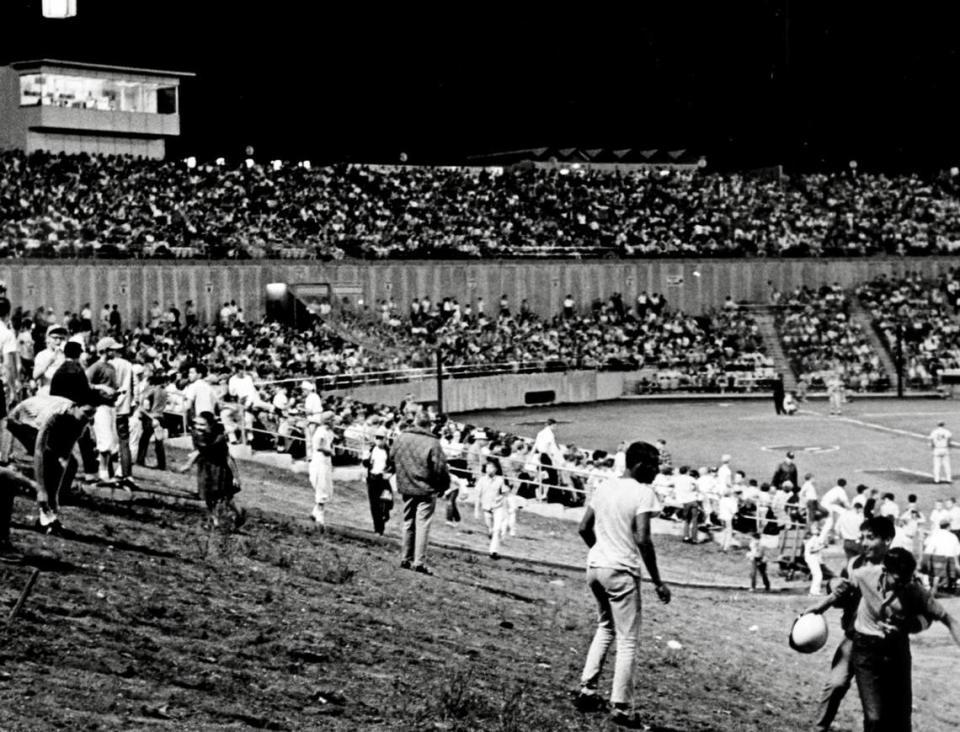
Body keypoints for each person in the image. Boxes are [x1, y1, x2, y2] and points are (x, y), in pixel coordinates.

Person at [807, 547, 960, 732]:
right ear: (885, 571)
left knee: (902, 718)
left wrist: (907, 626)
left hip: (897, 652)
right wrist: (821, 606)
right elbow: (844, 588)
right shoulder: (866, 575)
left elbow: (948, 620)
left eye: (907, 579)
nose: (903, 584)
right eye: (898, 579)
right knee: (875, 717)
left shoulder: (914, 590)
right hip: (865, 651)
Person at [573, 441, 671, 728]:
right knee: (628, 639)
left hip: (595, 566)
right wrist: (657, 582)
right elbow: (642, 538)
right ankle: (622, 707)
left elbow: (583, 527)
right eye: (653, 467)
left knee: (605, 627)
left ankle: (587, 689)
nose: (656, 473)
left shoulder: (605, 486)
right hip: (621, 570)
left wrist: (600, 550)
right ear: (640, 465)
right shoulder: (643, 492)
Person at [806, 515, 894, 732]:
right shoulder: (855, 563)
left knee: (876, 710)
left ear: (888, 540)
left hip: (883, 646)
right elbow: (843, 589)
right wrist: (823, 604)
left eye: (870, 538)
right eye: (861, 537)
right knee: (836, 684)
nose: (863, 543)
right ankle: (818, 728)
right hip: (853, 638)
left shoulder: (896, 568)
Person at [6, 394, 97, 532]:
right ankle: (44, 515)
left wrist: (54, 497)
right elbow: (39, 453)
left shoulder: (81, 422)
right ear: (75, 407)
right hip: (21, 420)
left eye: (92, 414)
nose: (88, 418)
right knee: (48, 458)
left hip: (47, 420)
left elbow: (64, 458)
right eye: (86, 413)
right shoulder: (54, 414)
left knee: (71, 464)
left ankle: (50, 514)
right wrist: (41, 491)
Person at [391, 410, 450, 575]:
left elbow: (392, 457)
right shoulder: (433, 443)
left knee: (408, 522)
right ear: (429, 424)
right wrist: (443, 487)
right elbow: (440, 469)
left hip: (406, 485)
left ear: (415, 422)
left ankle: (406, 558)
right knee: (422, 523)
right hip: (426, 488)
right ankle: (419, 562)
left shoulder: (401, 437)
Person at [177, 411, 245, 530]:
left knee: (226, 498)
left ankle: (239, 514)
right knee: (207, 495)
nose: (198, 427)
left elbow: (228, 458)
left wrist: (236, 476)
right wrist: (190, 463)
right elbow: (199, 450)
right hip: (205, 467)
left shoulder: (218, 438)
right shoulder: (195, 434)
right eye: (196, 424)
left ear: (211, 425)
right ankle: (214, 520)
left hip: (220, 468)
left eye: (203, 425)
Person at [474, 458, 508, 560]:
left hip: (498, 507)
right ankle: (490, 531)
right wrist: (476, 509)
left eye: (492, 467)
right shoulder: (482, 480)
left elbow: (505, 493)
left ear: (496, 469)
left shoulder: (500, 480)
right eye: (488, 467)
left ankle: (493, 551)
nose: (489, 469)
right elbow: (477, 496)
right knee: (491, 528)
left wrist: (505, 508)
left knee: (497, 529)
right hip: (486, 507)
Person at [362, 427, 393, 535]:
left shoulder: (389, 451)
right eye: (377, 438)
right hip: (372, 479)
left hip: (383, 480)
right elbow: (365, 464)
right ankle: (378, 529)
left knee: (386, 502)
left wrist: (389, 473)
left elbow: (394, 465)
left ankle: (385, 516)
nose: (379, 440)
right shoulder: (371, 450)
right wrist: (365, 459)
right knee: (374, 505)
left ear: (385, 439)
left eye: (381, 438)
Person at [308, 411, 336, 530]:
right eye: (333, 420)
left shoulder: (329, 432)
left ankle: (315, 512)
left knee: (326, 486)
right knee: (321, 485)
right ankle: (320, 516)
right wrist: (329, 451)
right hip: (319, 461)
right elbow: (318, 447)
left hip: (326, 461)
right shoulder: (321, 431)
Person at [136, 369, 168, 470]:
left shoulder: (152, 391)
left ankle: (140, 460)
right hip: (161, 416)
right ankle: (161, 463)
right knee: (159, 441)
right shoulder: (164, 391)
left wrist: (142, 410)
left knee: (144, 440)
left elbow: (144, 407)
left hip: (151, 417)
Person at [805, 525, 826, 596]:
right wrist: (821, 547)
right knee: (818, 575)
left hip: (812, 558)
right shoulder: (813, 539)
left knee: (817, 575)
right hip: (811, 558)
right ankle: (814, 591)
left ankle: (815, 591)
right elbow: (811, 550)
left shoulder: (815, 538)